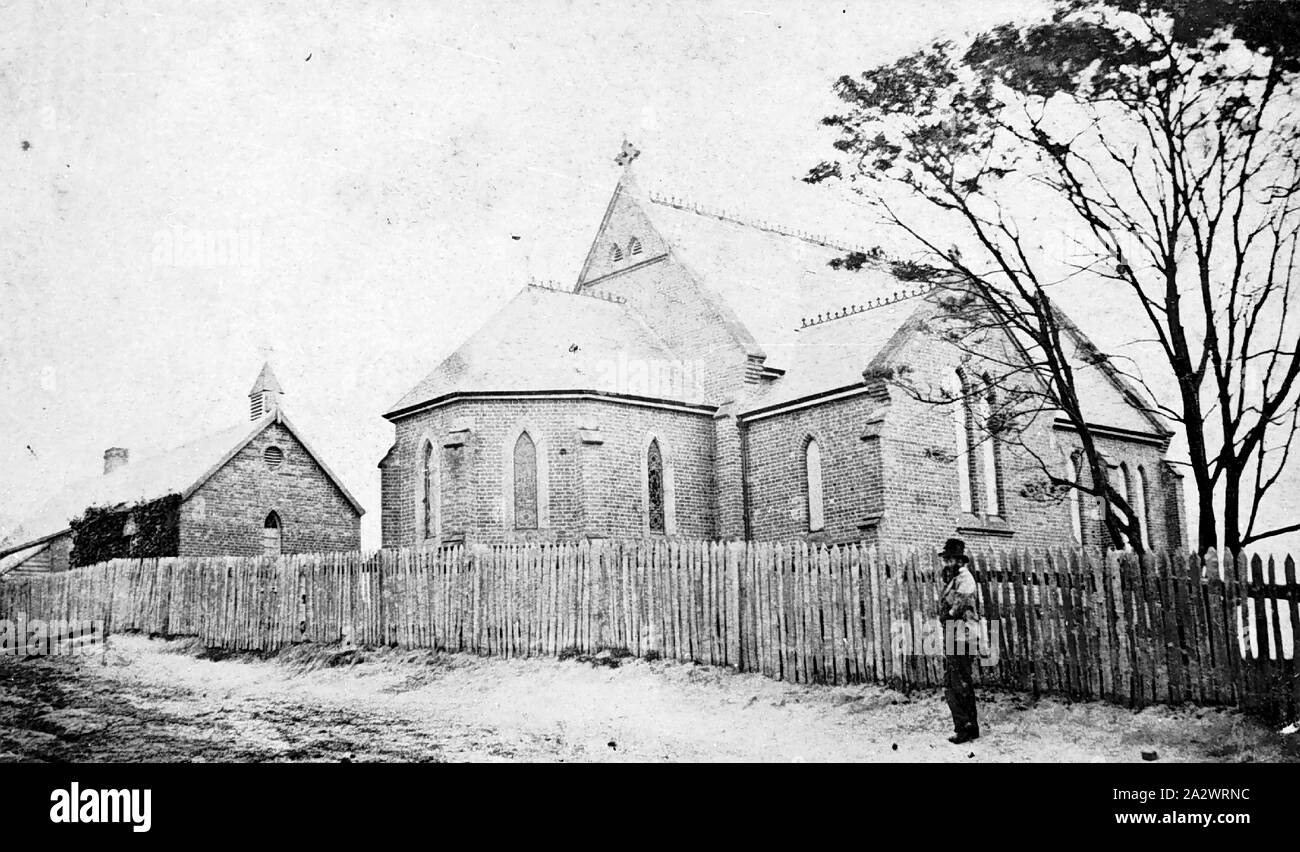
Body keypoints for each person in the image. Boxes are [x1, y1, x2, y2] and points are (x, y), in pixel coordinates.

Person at [938, 537, 980, 744]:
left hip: (962, 635)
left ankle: (966, 728)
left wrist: (947, 615)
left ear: (959, 561)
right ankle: (967, 726)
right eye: (945, 560)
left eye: (949, 560)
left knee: (958, 683)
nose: (946, 564)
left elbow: (958, 606)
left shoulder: (965, 579)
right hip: (955, 634)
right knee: (955, 682)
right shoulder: (955, 579)